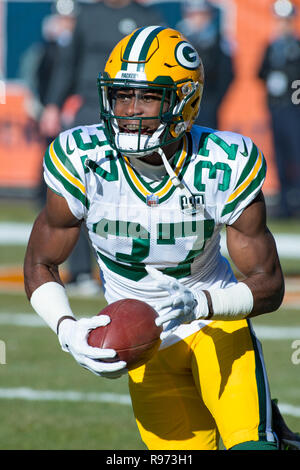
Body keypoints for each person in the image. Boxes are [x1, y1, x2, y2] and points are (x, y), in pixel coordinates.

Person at [24, 26, 299, 451]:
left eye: (148, 97)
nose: (130, 111)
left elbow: (269, 283)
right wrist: (66, 329)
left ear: (185, 100)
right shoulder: (83, 158)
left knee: (253, 448)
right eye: (121, 95)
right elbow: (41, 261)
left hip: (215, 323)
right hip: (142, 338)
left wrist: (202, 303)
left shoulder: (223, 162)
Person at [39, 0, 164, 293]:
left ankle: (148, 266)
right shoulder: (87, 15)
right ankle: (81, 271)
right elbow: (68, 63)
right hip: (91, 107)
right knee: (81, 190)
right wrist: (54, 105)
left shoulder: (146, 17)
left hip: (134, 110)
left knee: (140, 190)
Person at [258, 0, 300, 217]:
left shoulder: (297, 46)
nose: (282, 25)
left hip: (295, 109)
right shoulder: (272, 46)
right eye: (280, 20)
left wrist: (292, 86)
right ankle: (284, 204)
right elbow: (260, 72)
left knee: (297, 154)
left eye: (286, 21)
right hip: (276, 109)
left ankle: (297, 201)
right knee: (280, 157)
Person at [176, 0, 234, 129]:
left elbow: (226, 74)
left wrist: (214, 100)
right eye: (192, 14)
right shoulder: (178, 40)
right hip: (183, 102)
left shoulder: (219, 41)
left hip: (208, 102)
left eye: (201, 14)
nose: (197, 19)